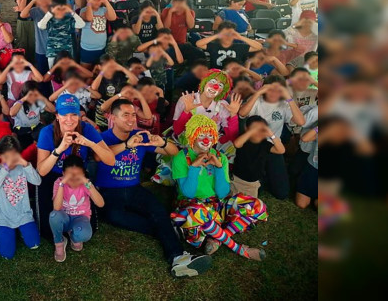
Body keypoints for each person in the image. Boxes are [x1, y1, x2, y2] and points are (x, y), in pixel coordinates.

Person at [97, 99, 212, 276]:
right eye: (125, 115)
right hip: (109, 190)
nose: (130, 119)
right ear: (113, 117)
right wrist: (127, 145)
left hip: (134, 188)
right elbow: (99, 157)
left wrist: (162, 143)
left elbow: (174, 153)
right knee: (115, 216)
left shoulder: (141, 135)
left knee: (157, 210)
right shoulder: (103, 138)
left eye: (133, 115)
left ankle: (178, 258)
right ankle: (169, 230)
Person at [171, 115, 268, 261]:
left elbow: (223, 192)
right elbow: (188, 193)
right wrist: (194, 168)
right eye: (202, 135)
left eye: (210, 135)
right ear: (192, 134)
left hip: (216, 205)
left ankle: (216, 238)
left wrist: (218, 167)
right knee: (197, 213)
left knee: (257, 205)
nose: (206, 140)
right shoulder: (181, 157)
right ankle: (238, 248)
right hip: (192, 207)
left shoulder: (220, 157)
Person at [35, 94, 115, 240]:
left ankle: (74, 224)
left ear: (79, 115)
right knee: (48, 232)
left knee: (87, 231)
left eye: (74, 114)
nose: (70, 119)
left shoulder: (87, 129)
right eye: (65, 114)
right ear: (57, 115)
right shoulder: (47, 132)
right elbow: (42, 170)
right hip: (53, 176)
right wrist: (59, 150)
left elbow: (110, 160)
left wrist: (89, 143)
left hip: (78, 176)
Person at [50, 155, 104, 262]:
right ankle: (59, 242)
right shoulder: (59, 182)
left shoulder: (86, 184)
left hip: (80, 217)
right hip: (63, 218)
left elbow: (100, 203)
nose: (74, 180)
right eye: (70, 176)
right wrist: (62, 184)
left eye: (78, 175)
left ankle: (74, 237)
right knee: (54, 215)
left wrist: (87, 183)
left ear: (83, 174)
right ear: (63, 174)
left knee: (84, 234)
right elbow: (56, 207)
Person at [231, 116, 286, 198]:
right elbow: (237, 144)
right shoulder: (243, 140)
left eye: (261, 130)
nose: (257, 133)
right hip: (236, 179)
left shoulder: (265, 144)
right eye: (254, 129)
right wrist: (251, 131)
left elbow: (281, 150)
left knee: (249, 205)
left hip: (252, 183)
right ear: (247, 129)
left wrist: (271, 135)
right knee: (231, 202)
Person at [38, 0, 85, 68]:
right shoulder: (50, 20)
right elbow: (41, 26)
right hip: (52, 52)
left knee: (67, 72)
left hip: (67, 53)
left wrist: (72, 12)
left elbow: (82, 24)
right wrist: (50, 13)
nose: (60, 10)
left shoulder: (68, 20)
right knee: (53, 73)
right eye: (58, 8)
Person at [196, 21, 263, 68]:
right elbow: (198, 44)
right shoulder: (214, 46)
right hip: (217, 75)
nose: (228, 37)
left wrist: (240, 37)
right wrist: (217, 35)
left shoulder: (239, 47)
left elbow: (259, 47)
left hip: (235, 75)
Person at [80, 0, 118, 69]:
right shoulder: (83, 10)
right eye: (94, 0)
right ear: (88, 0)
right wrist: (89, 4)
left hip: (101, 47)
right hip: (87, 49)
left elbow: (113, 17)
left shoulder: (104, 10)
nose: (97, 2)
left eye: (99, 0)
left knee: (100, 71)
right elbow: (89, 18)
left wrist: (106, 2)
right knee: (85, 71)